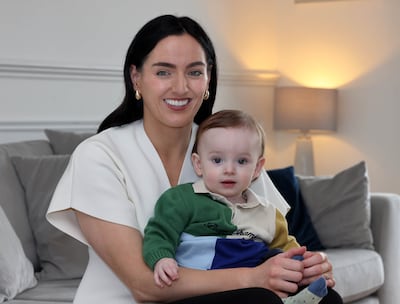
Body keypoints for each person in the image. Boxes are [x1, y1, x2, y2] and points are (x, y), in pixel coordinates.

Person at [46, 14, 342, 304]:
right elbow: (144, 286)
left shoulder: (227, 146)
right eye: (163, 72)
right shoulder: (98, 155)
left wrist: (308, 266)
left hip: (227, 297)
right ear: (136, 77)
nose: (180, 87)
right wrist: (254, 277)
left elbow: (273, 238)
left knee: (326, 297)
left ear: (209, 78)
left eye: (194, 72)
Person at [143, 109, 328, 304]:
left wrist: (307, 265)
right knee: (261, 297)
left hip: (258, 285)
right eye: (217, 160)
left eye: (241, 161)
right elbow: (159, 233)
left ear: (257, 168)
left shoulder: (268, 213)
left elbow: (287, 247)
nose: (229, 170)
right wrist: (162, 258)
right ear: (198, 164)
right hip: (204, 289)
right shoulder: (181, 199)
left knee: (328, 295)